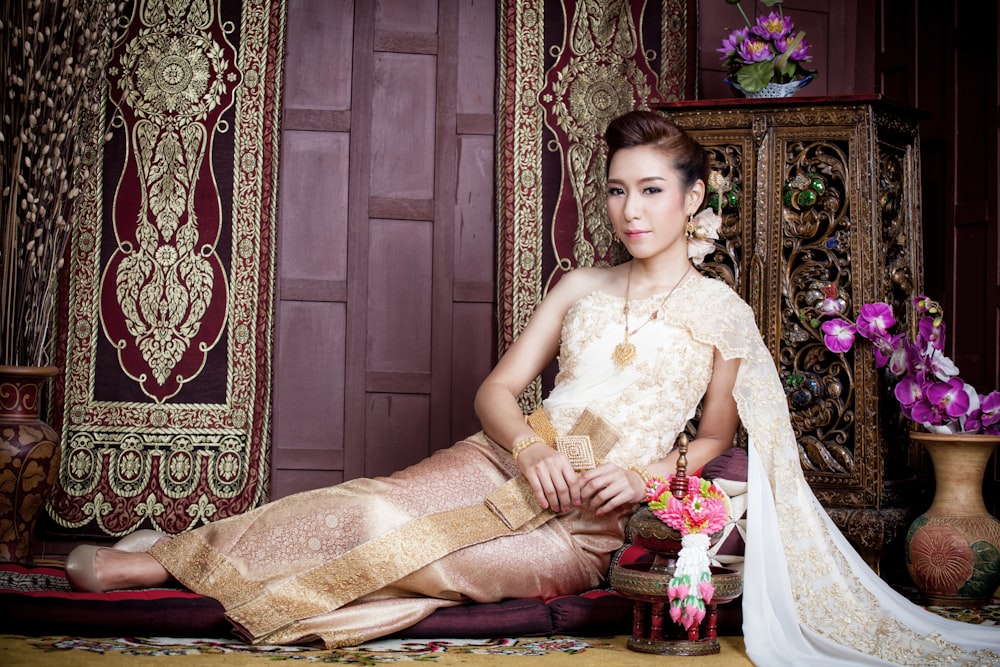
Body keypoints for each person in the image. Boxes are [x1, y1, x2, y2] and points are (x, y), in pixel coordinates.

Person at [65, 111, 999, 665]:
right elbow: (496, 391)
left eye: (650, 191)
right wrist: (534, 447)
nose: (629, 211)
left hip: (588, 517)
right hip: (507, 460)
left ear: (694, 197)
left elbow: (717, 436)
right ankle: (155, 558)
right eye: (616, 191)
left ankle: (211, 568)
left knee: (425, 560)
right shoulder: (579, 288)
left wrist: (644, 483)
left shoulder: (725, 316)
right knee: (376, 506)